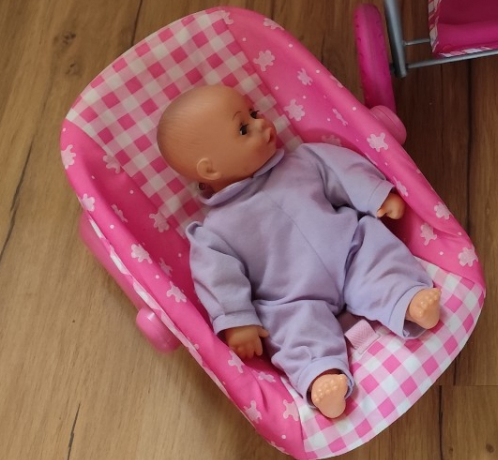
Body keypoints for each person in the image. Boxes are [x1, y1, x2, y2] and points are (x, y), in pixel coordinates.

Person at [157, 83, 439, 419]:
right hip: (292, 299)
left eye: (254, 113)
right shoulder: (214, 232)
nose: (262, 124)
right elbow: (218, 280)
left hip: (349, 253)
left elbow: (343, 172)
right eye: (244, 128)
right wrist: (237, 321)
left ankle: (406, 299)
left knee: (375, 250)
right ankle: (321, 375)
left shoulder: (302, 161)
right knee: (291, 331)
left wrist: (375, 195)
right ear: (210, 170)